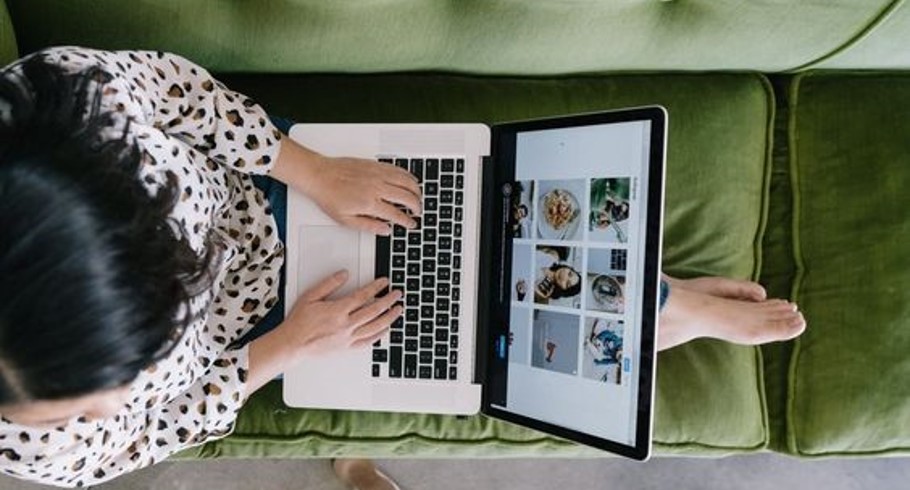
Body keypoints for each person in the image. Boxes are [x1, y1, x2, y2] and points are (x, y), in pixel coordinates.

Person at [0, 47, 805, 488]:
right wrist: (279, 352)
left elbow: (191, 100)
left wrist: (309, 168)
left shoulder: (74, 100)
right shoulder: (37, 449)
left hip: (267, 190)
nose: (94, 414)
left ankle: (666, 303)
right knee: (507, 332)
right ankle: (669, 307)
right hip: (262, 332)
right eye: (93, 400)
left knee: (500, 225)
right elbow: (149, 435)